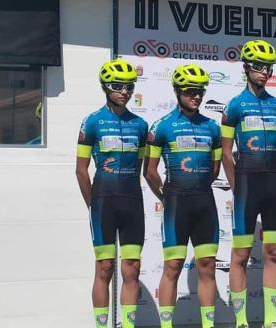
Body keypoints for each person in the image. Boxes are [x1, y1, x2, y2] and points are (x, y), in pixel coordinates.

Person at [144, 64, 221, 328]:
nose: (196, 96)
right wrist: (167, 196)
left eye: (200, 91)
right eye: (190, 91)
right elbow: (150, 172)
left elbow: (214, 169)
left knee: (208, 266)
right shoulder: (162, 126)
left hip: (205, 204)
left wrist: (196, 188)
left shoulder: (212, 127)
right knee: (173, 267)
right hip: (176, 203)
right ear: (177, 91)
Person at [75, 58, 148, 328]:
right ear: (106, 87)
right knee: (104, 268)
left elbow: (140, 167)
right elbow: (81, 171)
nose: (125, 92)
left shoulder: (140, 125)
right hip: (103, 201)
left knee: (132, 268)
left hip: (131, 200)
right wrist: (92, 204)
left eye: (129, 87)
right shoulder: (91, 122)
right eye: (118, 86)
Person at [221, 39, 276, 328]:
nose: (264, 72)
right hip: (246, 186)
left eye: (268, 68)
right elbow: (226, 152)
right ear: (246, 68)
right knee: (241, 254)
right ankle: (241, 322)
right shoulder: (234, 106)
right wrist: (237, 189)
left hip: (273, 187)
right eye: (259, 67)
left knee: (273, 253)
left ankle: (271, 320)